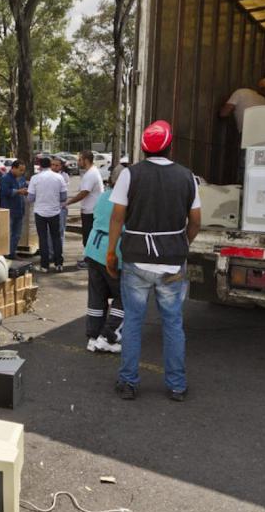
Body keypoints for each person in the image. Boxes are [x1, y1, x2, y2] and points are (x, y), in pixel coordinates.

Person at [106, 120, 201, 402]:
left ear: (143, 148)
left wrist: (111, 251)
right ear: (170, 147)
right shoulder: (187, 177)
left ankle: (128, 382)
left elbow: (117, 217)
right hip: (172, 261)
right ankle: (176, 386)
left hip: (137, 260)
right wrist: (182, 244)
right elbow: (195, 222)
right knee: (172, 323)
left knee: (133, 322)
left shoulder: (129, 175)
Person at [83, 184, 123, 354]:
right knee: (124, 296)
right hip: (113, 251)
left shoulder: (104, 195)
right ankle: (108, 336)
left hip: (93, 248)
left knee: (96, 295)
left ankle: (93, 337)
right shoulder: (127, 199)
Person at [28, 156, 68, 272]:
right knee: (56, 238)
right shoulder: (59, 177)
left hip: (40, 212)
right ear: (50, 165)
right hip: (55, 211)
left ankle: (44, 265)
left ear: (40, 166)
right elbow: (64, 197)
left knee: (43, 239)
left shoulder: (35, 178)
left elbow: (30, 198)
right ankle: (58, 264)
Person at [68, 151, 105, 270]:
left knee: (89, 238)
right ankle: (88, 259)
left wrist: (68, 202)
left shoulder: (91, 174)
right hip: (89, 210)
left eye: (80, 160)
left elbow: (84, 193)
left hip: (91, 211)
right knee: (88, 236)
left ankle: (90, 262)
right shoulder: (91, 172)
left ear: (86, 160)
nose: (78, 162)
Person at [0, 160, 28, 257]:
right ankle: (6, 254)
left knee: (17, 234)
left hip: (19, 210)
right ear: (13, 168)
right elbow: (5, 192)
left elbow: (25, 188)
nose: (22, 172)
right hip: (9, 210)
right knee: (8, 234)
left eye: (23, 170)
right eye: (20, 170)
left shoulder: (21, 178)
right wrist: (18, 191)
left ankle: (12, 253)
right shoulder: (5, 178)